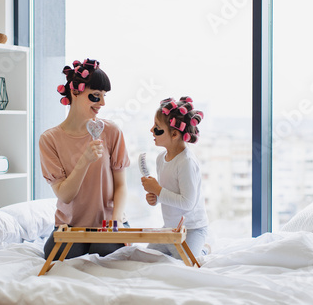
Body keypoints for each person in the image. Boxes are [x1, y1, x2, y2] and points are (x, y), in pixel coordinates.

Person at [39, 58, 130, 260]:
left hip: (108, 222)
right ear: (75, 92)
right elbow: (65, 195)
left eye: (104, 96)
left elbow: (121, 186)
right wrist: (84, 161)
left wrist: (116, 223)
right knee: (56, 255)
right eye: (96, 96)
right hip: (70, 226)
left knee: (107, 254)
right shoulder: (50, 139)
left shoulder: (112, 131)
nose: (103, 103)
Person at [141, 96, 210, 259]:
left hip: (192, 228)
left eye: (157, 128)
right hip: (170, 228)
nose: (152, 130)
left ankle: (205, 249)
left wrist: (158, 190)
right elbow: (169, 193)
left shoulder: (186, 162)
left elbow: (187, 202)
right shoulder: (160, 159)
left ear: (174, 134)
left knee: (186, 260)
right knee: (145, 256)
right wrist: (155, 197)